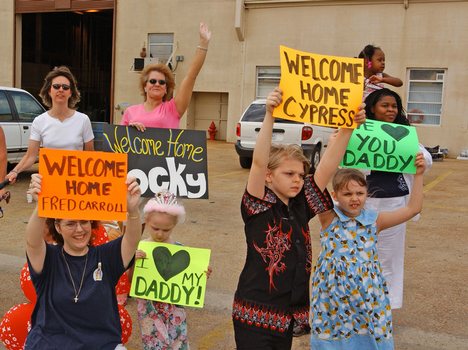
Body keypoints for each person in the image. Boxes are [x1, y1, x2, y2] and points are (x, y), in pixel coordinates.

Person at [231, 87, 366, 349]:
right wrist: (269, 114)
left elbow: (326, 167)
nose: (297, 180)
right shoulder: (258, 205)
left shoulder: (301, 205)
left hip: (286, 315)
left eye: (300, 175)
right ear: (269, 177)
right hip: (254, 315)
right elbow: (259, 163)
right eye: (289, 174)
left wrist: (349, 127)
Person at [310, 157, 425, 350]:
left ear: (367, 194)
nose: (354, 198)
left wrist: (419, 175)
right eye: (347, 193)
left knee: (369, 339)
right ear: (334, 195)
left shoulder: (375, 221)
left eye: (359, 193)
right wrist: (333, 150)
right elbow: (315, 186)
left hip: (367, 296)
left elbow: (413, 209)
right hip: (332, 297)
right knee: (332, 340)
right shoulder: (329, 218)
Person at [24, 174, 141, 349]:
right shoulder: (48, 258)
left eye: (84, 222)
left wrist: (132, 210)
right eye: (70, 224)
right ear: (58, 227)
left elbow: (132, 240)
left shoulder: (106, 257)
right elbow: (32, 242)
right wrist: (42, 205)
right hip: (49, 344)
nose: (79, 229)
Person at [364, 88, 432, 309]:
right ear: (372, 108)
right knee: (362, 255)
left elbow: (426, 159)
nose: (391, 110)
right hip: (364, 204)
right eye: (385, 105)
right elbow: (344, 162)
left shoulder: (404, 133)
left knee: (389, 258)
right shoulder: (359, 132)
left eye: (394, 106)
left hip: (395, 204)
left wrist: (421, 159)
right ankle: (361, 303)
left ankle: (385, 305)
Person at [133, 190, 211, 350]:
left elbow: (191, 282)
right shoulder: (141, 251)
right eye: (155, 228)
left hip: (175, 312)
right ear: (145, 221)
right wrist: (133, 263)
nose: (160, 234)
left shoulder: (182, 252)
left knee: (178, 344)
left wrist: (202, 274)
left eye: (166, 229)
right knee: (153, 345)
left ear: (174, 225)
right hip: (149, 312)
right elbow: (130, 281)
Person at [6, 66, 94, 183]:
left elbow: (91, 156)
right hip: (49, 185)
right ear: (49, 90)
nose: (61, 90)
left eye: (65, 87)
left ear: (71, 92)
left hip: (76, 185)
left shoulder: (83, 120)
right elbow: (30, 156)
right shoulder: (39, 121)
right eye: (56, 86)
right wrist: (15, 171)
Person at [121, 22, 211, 131]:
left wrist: (203, 44)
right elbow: (119, 142)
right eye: (153, 81)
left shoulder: (173, 109)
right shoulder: (130, 112)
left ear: (166, 89)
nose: (157, 84)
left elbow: (191, 76)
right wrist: (130, 131)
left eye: (162, 82)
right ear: (145, 86)